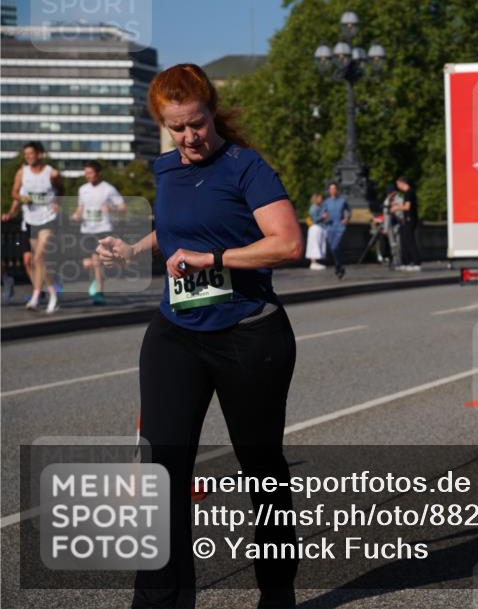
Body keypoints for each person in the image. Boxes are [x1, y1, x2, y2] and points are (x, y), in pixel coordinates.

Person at [96, 63, 302, 608]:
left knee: (261, 469)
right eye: (177, 127)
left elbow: (287, 243)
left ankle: (276, 592)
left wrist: (214, 258)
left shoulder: (246, 167)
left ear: (213, 112)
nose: (190, 137)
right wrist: (136, 251)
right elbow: (174, 227)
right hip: (176, 332)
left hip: (247, 334)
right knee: (161, 472)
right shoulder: (166, 169)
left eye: (197, 124)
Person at [2, 141, 62, 313]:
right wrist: (22, 199)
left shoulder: (51, 173)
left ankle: (37, 295)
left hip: (48, 219)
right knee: (37, 260)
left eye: (31, 153)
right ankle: (51, 293)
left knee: (38, 258)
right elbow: (14, 192)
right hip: (30, 219)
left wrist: (59, 203)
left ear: (39, 155)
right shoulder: (22, 172)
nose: (28, 156)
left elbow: (62, 189)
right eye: (25, 154)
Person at [71, 160, 126, 304]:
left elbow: (122, 207)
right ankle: (96, 281)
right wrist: (76, 215)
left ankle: (99, 292)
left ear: (98, 174)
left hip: (103, 228)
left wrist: (111, 209)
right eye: (86, 173)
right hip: (87, 229)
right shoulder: (82, 189)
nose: (87, 176)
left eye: (90, 173)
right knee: (87, 263)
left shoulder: (108, 189)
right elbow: (81, 207)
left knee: (96, 262)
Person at [319, 181, 350, 279]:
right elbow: (321, 214)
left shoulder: (342, 201)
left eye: (334, 188)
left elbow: (349, 211)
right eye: (331, 189)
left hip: (340, 227)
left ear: (337, 190)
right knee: (333, 248)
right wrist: (324, 216)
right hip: (330, 227)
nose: (333, 190)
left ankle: (337, 266)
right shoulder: (326, 202)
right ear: (329, 191)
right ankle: (339, 266)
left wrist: (346, 219)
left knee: (335, 247)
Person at [396, 176, 421, 271]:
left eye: (398, 184)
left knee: (410, 241)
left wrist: (397, 208)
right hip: (407, 219)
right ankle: (406, 262)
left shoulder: (409, 193)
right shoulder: (408, 193)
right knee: (405, 240)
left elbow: (407, 207)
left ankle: (416, 262)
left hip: (410, 219)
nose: (398, 186)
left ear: (403, 183)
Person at [305, 192, 327, 270]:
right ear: (316, 199)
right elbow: (314, 219)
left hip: (318, 228)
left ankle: (315, 262)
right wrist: (323, 216)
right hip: (315, 227)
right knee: (314, 245)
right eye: (320, 198)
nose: (321, 199)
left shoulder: (318, 207)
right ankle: (313, 262)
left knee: (317, 244)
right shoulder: (314, 207)